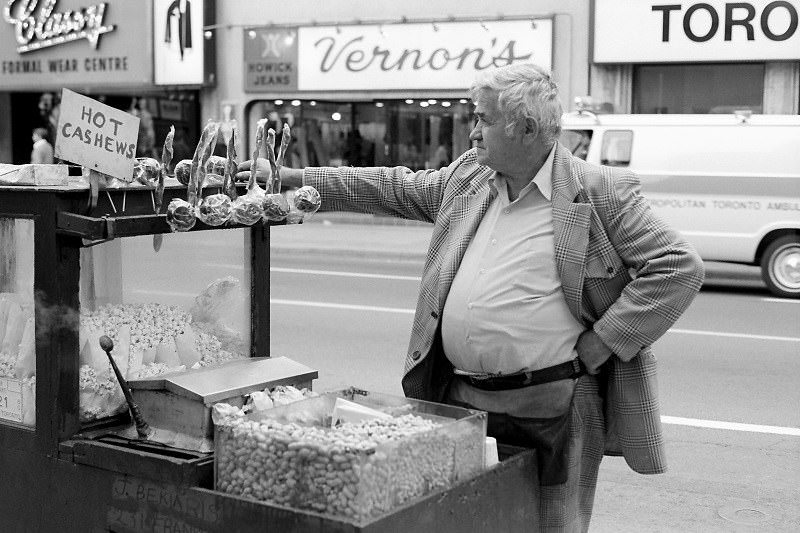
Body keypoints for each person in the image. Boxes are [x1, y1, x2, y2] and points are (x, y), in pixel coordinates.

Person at [239, 63, 704, 532]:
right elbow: (390, 187)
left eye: (483, 119)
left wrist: (606, 339)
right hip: (462, 400)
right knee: (464, 522)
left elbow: (678, 266)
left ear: (525, 127)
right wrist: (292, 176)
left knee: (548, 525)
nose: (473, 131)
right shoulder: (469, 178)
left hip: (553, 406)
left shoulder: (600, 191)